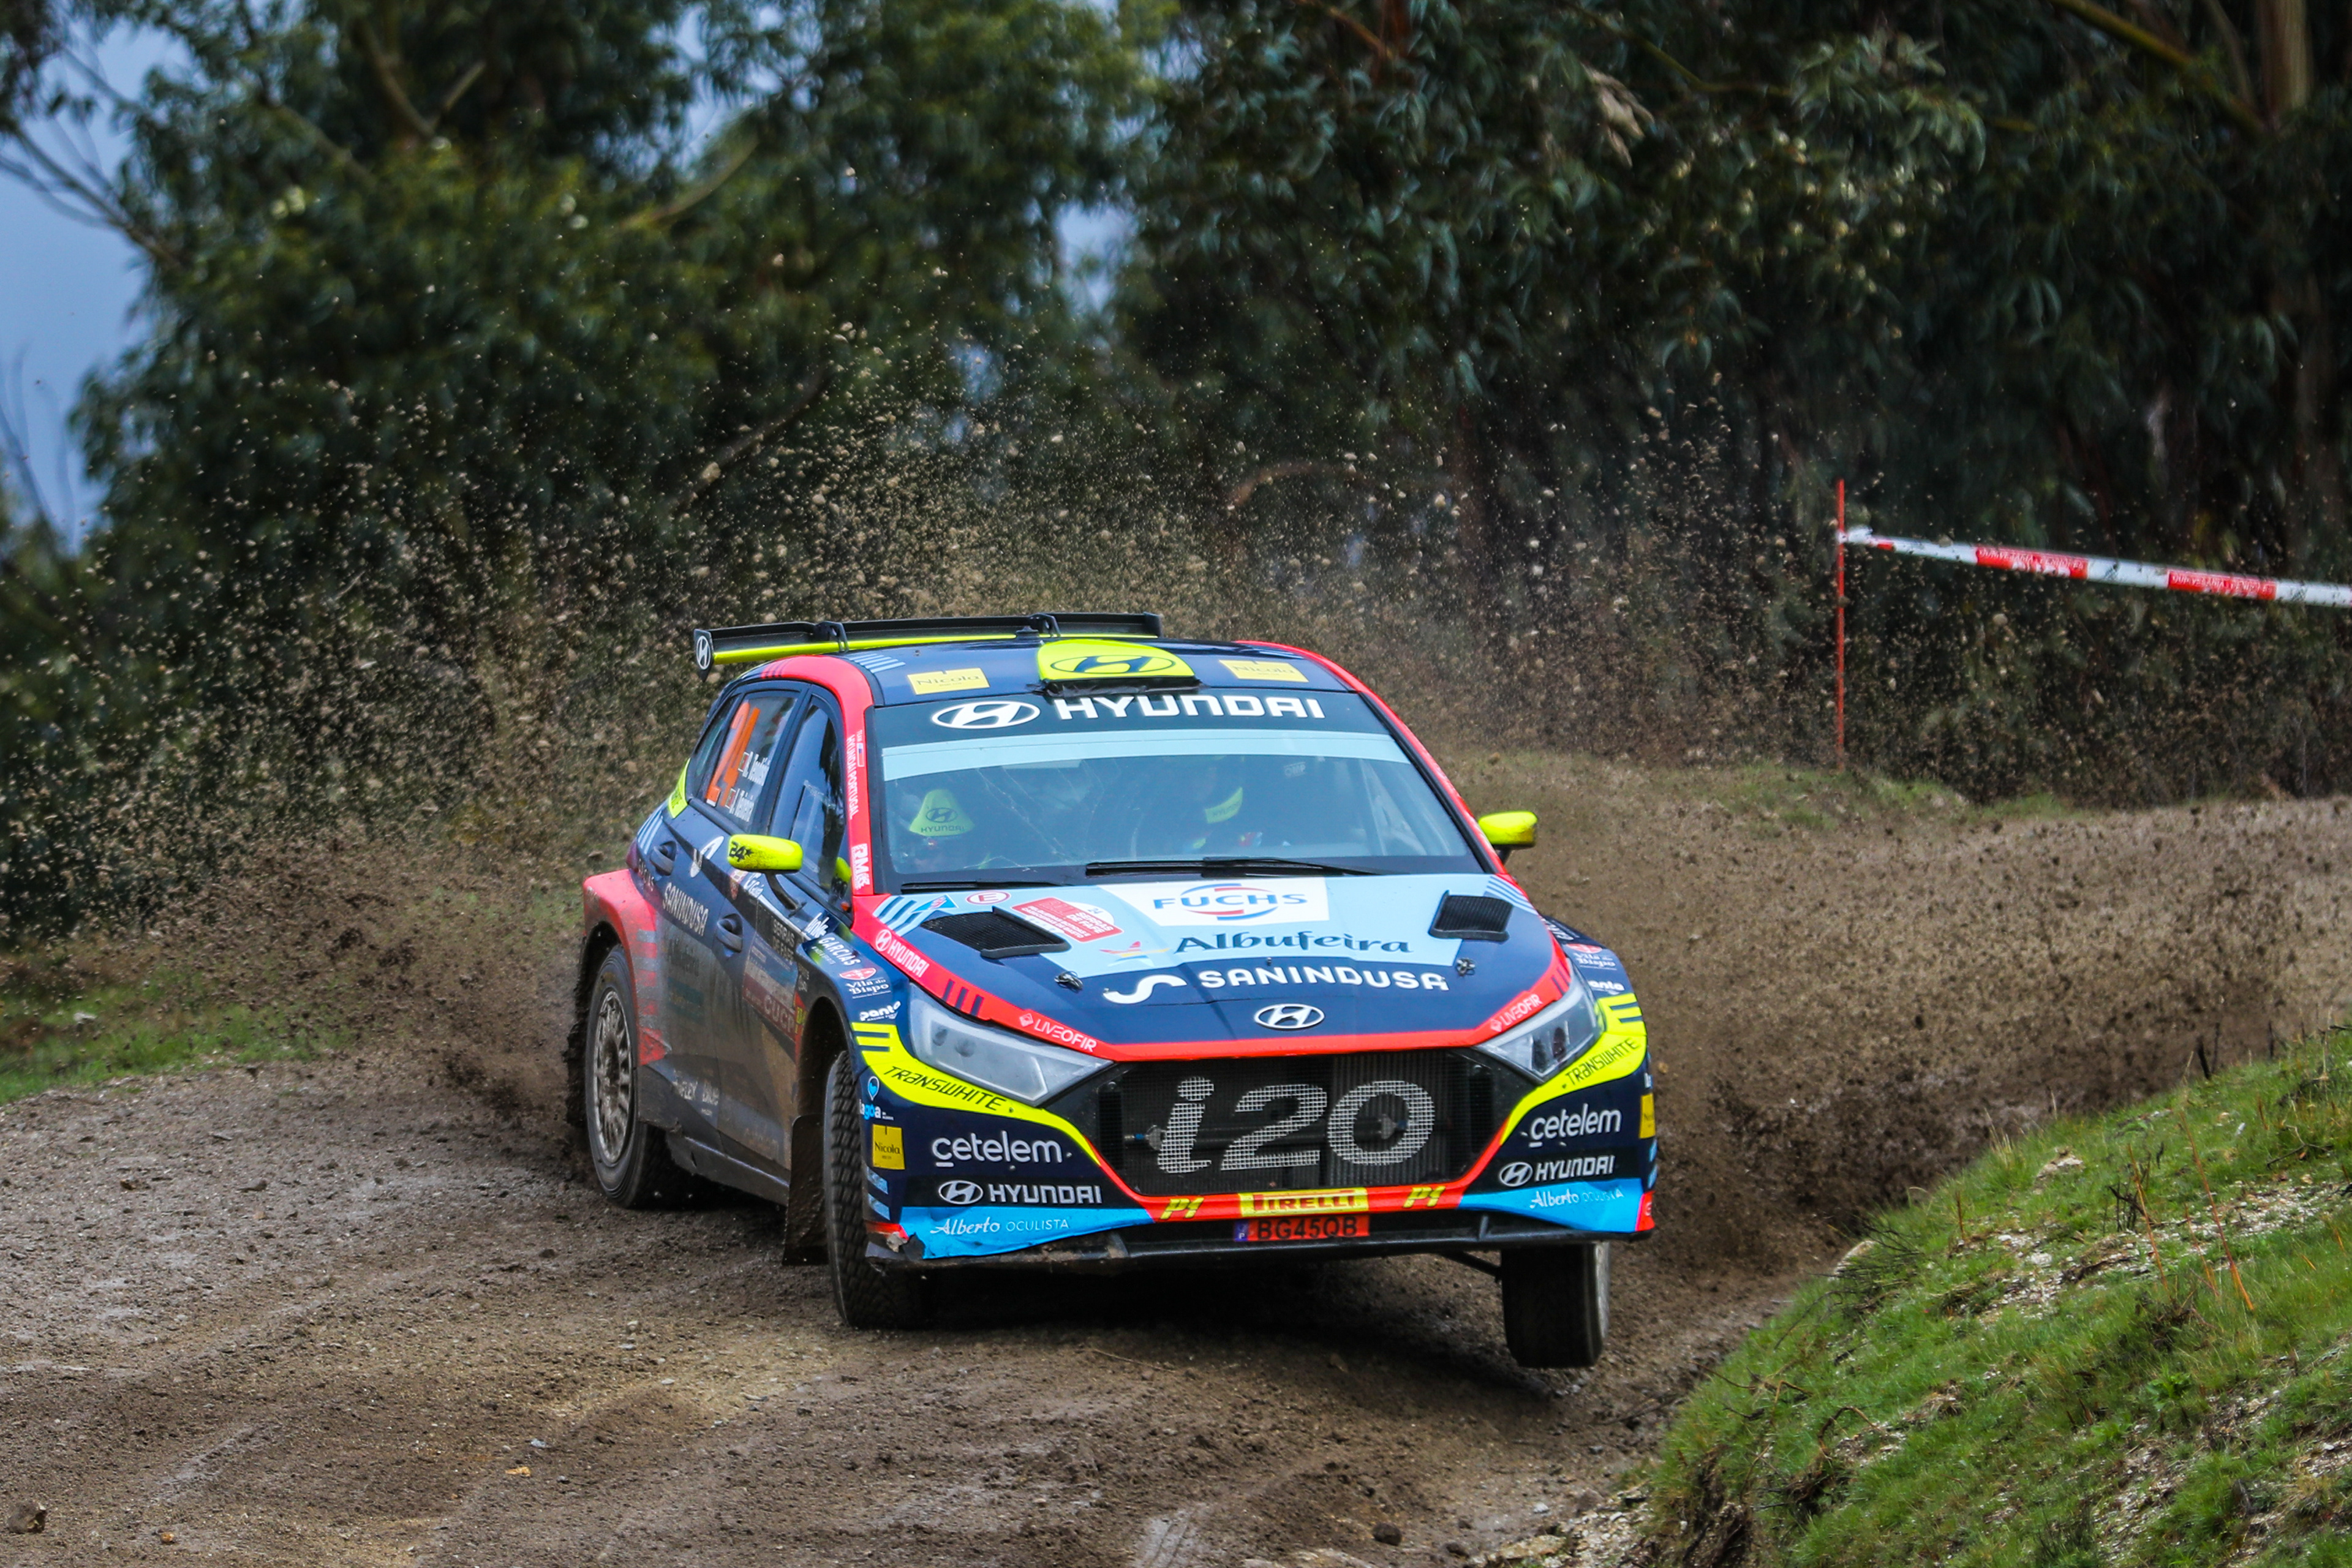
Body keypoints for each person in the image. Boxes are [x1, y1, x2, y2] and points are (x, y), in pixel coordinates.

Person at [899, 786, 979, 874]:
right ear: (910, 853)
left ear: (968, 853)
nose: (941, 861)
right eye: (928, 849)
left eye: (952, 849)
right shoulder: (887, 883)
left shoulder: (991, 876)